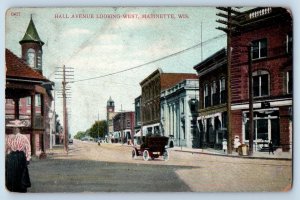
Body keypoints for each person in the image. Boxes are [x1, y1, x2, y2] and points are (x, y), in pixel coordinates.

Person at [5, 120, 31, 192]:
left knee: (21, 172)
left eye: (17, 128)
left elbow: (28, 148)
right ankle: (12, 188)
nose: (15, 129)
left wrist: (28, 158)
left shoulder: (23, 137)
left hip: (20, 156)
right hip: (11, 157)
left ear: (19, 129)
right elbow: (6, 148)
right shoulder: (9, 137)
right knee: (11, 173)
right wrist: (6, 155)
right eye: (13, 128)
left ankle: (21, 188)